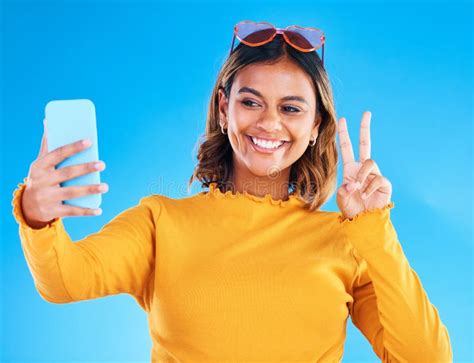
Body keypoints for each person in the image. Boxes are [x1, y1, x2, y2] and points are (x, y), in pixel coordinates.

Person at [11, 20, 452, 362]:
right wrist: (37, 214)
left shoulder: (347, 240)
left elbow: (425, 357)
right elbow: (64, 281)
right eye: (250, 101)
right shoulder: (161, 222)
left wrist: (374, 228)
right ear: (224, 109)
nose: (269, 123)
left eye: (292, 108)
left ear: (316, 126)